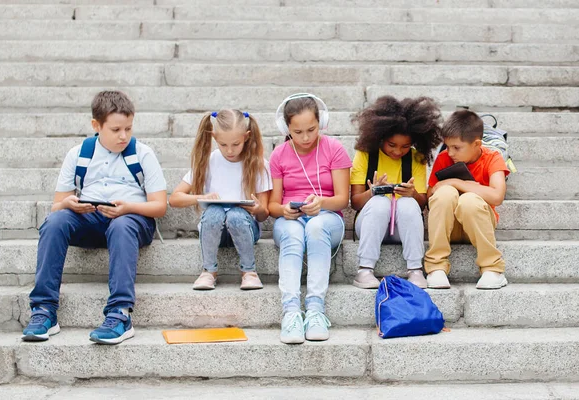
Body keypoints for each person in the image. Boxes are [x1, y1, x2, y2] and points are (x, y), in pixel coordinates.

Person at [23, 91, 167, 344]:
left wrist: (128, 208)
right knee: (55, 221)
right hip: (90, 217)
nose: (123, 136)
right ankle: (44, 310)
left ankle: (120, 313)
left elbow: (159, 206)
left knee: (122, 225)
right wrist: (70, 204)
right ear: (96, 126)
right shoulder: (79, 154)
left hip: (132, 219)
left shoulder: (143, 154)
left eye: (128, 128)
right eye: (115, 129)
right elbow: (59, 204)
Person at [269, 93, 351, 344]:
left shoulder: (334, 149)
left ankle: (315, 309)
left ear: (321, 123)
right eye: (297, 132)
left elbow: (342, 200)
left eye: (311, 129)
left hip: (327, 217)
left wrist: (321, 203)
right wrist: (284, 210)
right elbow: (271, 205)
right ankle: (291, 312)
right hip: (291, 219)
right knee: (293, 232)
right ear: (286, 129)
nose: (305, 138)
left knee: (315, 227)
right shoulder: (279, 154)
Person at [169, 109, 272, 291]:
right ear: (215, 137)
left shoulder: (258, 164)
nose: (230, 150)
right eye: (223, 144)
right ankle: (208, 271)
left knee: (235, 214)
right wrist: (201, 197)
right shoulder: (209, 161)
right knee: (215, 212)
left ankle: (249, 272)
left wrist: (257, 209)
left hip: (245, 229)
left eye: (236, 144)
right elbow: (175, 199)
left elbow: (264, 214)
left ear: (247, 137)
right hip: (214, 229)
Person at [350, 96, 442, 289]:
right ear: (380, 137)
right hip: (371, 225)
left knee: (407, 203)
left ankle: (415, 270)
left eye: (405, 146)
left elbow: (422, 203)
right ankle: (364, 270)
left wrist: (413, 194)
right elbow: (356, 203)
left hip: (403, 228)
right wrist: (372, 192)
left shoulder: (416, 158)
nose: (398, 151)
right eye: (392, 145)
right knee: (380, 202)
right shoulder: (365, 154)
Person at [424, 110, 509, 290]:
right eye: (447, 146)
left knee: (469, 200)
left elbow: (497, 196)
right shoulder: (444, 158)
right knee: (445, 193)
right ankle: (436, 267)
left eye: (457, 147)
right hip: (451, 226)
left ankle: (492, 268)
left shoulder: (492, 158)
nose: (450, 152)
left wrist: (457, 182)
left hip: (480, 222)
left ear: (476, 144)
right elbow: (430, 196)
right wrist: (447, 187)